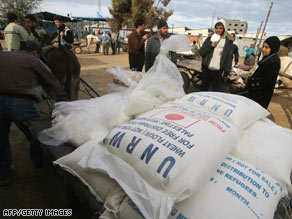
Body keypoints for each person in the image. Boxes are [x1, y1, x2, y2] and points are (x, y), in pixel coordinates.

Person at [0, 40, 68, 186]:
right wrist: (64, 103)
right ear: (36, 53)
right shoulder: (34, 61)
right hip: (21, 102)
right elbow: (53, 83)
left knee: (1, 139)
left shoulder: (3, 55)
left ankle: (4, 175)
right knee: (38, 136)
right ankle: (40, 168)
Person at [245, 36, 281, 109]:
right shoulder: (268, 59)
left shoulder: (274, 62)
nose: (263, 49)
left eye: (267, 47)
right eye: (263, 47)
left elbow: (266, 81)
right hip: (256, 95)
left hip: (261, 97)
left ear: (273, 48)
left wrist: (249, 81)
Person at [199, 21, 233, 92]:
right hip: (207, 70)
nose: (218, 30)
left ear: (224, 29)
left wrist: (226, 72)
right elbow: (202, 52)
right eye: (217, 28)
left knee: (216, 91)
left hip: (218, 72)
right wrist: (211, 46)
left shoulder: (228, 42)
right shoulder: (209, 39)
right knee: (204, 90)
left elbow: (229, 58)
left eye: (220, 28)